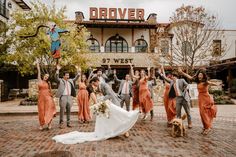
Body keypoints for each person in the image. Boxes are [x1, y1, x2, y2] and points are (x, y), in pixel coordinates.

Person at [52, 78, 139, 144]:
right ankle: (116, 131)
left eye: (95, 84)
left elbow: (109, 94)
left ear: (97, 82)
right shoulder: (101, 86)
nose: (95, 86)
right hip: (109, 104)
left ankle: (125, 131)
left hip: (114, 103)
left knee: (119, 117)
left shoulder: (105, 85)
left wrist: (101, 99)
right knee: (112, 118)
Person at [178, 68, 218, 135]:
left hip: (206, 98)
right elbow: (189, 77)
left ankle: (207, 128)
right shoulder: (197, 81)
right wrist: (182, 72)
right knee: (201, 113)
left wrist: (216, 84)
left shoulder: (205, 82)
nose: (200, 76)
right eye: (199, 75)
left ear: (203, 76)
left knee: (204, 113)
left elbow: (210, 83)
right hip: (201, 98)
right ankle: (205, 127)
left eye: (201, 75)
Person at [55, 64, 81, 129]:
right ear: (63, 76)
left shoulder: (71, 80)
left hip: (69, 97)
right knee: (62, 111)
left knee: (69, 110)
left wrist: (78, 71)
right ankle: (61, 124)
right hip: (63, 97)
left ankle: (68, 123)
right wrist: (57, 70)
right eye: (66, 75)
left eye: (68, 75)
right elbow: (56, 77)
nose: (68, 76)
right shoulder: (61, 80)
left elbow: (77, 77)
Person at [36, 61, 56, 130]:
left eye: (47, 76)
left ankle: (49, 124)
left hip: (48, 98)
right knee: (41, 111)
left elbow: (50, 91)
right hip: (41, 98)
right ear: (43, 76)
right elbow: (39, 73)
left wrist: (52, 98)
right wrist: (38, 67)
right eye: (45, 76)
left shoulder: (49, 83)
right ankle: (41, 125)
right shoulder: (39, 81)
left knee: (49, 110)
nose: (46, 77)